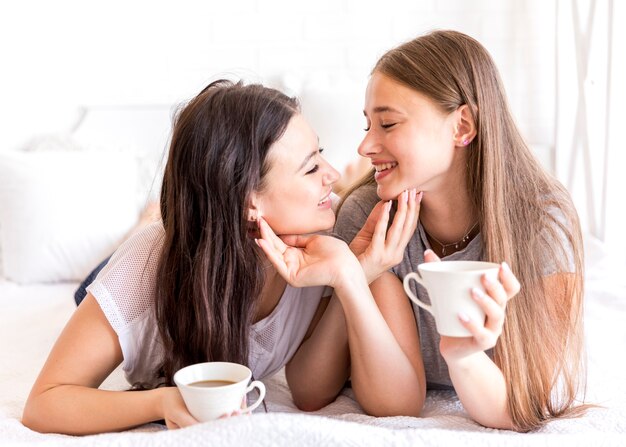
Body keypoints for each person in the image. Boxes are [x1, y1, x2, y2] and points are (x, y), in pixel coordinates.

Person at [22, 79, 420, 435]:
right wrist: (161, 401)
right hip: (154, 258)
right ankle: (149, 218)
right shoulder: (143, 269)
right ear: (250, 201)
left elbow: (312, 393)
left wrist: (353, 273)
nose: (330, 174)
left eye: (322, 154)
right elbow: (45, 403)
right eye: (311, 166)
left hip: (211, 234)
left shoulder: (322, 237)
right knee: (93, 283)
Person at [330, 30, 589, 432]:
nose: (365, 146)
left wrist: (463, 355)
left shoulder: (543, 223)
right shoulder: (369, 215)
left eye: (387, 123)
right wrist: (359, 277)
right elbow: (392, 404)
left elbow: (518, 407)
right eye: (367, 125)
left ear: (461, 126)